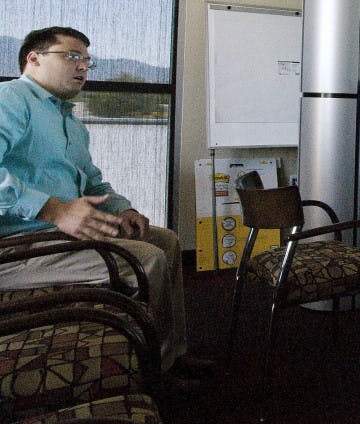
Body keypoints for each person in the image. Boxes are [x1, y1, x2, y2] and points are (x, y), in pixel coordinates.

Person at [0, 26, 212, 385]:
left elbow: (94, 183)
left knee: (165, 241)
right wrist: (53, 209)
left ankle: (171, 355)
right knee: (147, 259)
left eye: (87, 60)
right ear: (33, 59)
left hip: (62, 234)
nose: (83, 66)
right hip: (18, 245)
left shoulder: (70, 122)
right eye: (71, 56)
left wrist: (123, 210)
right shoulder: (11, 99)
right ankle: (152, 372)